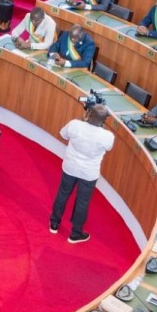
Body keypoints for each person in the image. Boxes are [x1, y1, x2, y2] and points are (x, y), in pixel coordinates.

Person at [49, 102, 114, 243]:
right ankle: (75, 233)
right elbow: (108, 148)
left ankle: (54, 224)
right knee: (82, 202)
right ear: (104, 121)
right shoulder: (107, 136)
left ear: (88, 114)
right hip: (88, 173)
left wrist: (83, 121)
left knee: (63, 194)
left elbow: (63, 135)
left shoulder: (75, 124)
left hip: (70, 167)